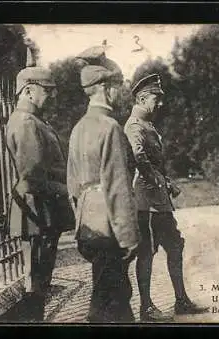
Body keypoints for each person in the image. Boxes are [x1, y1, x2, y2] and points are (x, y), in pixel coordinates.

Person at [124, 73, 208, 322]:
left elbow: (153, 163)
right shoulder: (134, 126)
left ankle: (181, 300)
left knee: (175, 246)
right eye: (155, 98)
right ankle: (146, 308)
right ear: (141, 98)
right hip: (146, 202)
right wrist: (160, 181)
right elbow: (139, 158)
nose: (160, 103)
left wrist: (166, 182)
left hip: (158, 200)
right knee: (146, 253)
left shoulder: (148, 125)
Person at [66, 46, 140, 323]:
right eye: (117, 85)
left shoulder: (78, 129)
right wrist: (129, 237)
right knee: (114, 302)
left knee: (106, 294)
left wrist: (82, 222)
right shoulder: (110, 128)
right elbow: (118, 186)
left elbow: (73, 186)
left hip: (88, 225)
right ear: (103, 88)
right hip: (110, 226)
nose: (120, 92)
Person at [6, 63, 73, 321]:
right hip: (36, 210)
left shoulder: (33, 120)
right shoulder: (25, 122)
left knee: (41, 278)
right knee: (36, 280)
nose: (51, 96)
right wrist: (67, 190)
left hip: (42, 208)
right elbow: (33, 176)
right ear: (28, 91)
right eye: (47, 90)